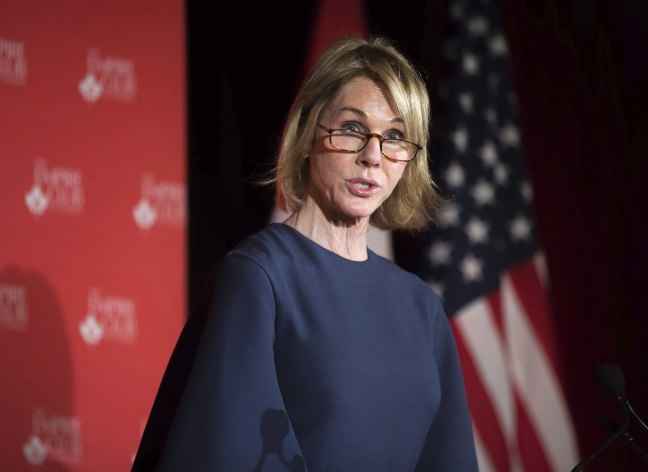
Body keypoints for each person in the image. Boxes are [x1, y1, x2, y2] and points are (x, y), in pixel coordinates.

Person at [132, 35, 479, 471]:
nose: (373, 156)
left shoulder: (422, 309)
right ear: (308, 131)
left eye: (395, 136)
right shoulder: (259, 277)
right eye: (353, 128)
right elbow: (223, 450)